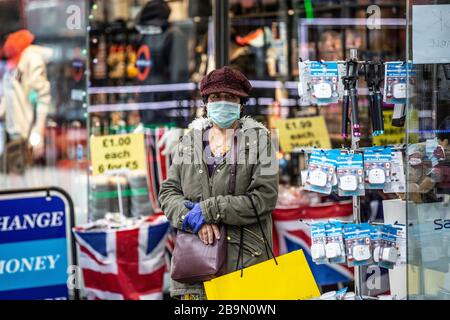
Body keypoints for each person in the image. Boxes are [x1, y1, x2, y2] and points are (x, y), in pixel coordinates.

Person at [158, 66, 279, 300]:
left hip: (246, 264)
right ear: (206, 102)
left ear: (241, 104)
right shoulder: (190, 141)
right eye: (215, 97)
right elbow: (168, 192)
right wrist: (193, 220)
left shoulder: (259, 141)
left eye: (230, 97)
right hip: (195, 266)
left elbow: (264, 199)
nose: (222, 102)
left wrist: (208, 210)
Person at [0, 29, 52, 172]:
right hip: (11, 133)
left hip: (24, 135)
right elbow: (8, 94)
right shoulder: (12, 63)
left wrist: (38, 130)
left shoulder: (31, 58)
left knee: (21, 180)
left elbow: (43, 96)